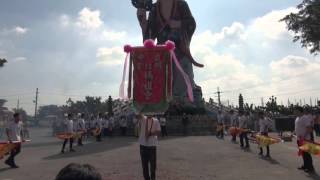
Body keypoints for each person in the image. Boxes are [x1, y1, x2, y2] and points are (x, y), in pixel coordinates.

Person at [136, 0, 204, 105]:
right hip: (162, 56)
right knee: (161, 84)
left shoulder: (181, 4)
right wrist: (143, 23)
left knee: (183, 84)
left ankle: (186, 98)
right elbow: (149, 38)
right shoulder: (154, 9)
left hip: (180, 52)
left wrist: (179, 24)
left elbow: (191, 23)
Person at [138, 114, 161, 180]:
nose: (149, 113)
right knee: (144, 165)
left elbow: (159, 132)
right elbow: (137, 114)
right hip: (143, 145)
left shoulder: (156, 120)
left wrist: (150, 133)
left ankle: (153, 178)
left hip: (152, 145)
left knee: (153, 165)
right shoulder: (142, 118)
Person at [295, 106, 315, 173]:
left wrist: (304, 137)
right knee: (303, 153)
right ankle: (305, 165)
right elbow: (297, 127)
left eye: (296, 111)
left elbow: (309, 128)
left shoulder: (305, 118)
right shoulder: (297, 118)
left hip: (305, 139)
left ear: (300, 111)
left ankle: (310, 167)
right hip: (299, 139)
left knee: (307, 154)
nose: (295, 112)